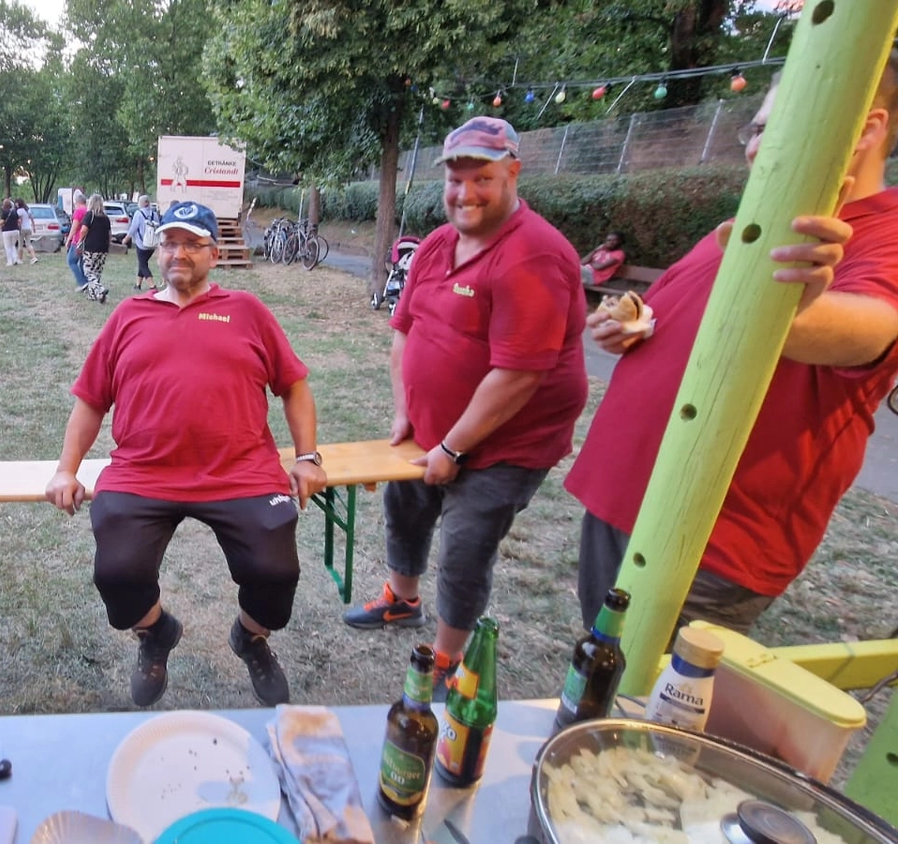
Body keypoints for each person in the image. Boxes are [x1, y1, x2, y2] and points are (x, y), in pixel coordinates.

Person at [567, 58, 898, 635]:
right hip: (622, 496)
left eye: (774, 127)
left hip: (710, 538)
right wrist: (621, 329)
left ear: (865, 129)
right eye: (756, 129)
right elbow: (660, 318)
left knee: (651, 706)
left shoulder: (879, 237)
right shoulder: (745, 224)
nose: (753, 148)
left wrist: (794, 312)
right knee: (598, 668)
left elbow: (869, 331)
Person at [44, 200, 327, 707]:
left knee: (276, 574)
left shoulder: (248, 312)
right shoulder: (130, 315)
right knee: (117, 576)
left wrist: (307, 457)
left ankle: (251, 637)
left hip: (241, 472)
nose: (178, 253)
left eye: (192, 243)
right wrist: (66, 469)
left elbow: (295, 386)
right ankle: (156, 633)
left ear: (214, 254)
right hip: (143, 474)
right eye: (170, 242)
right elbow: (90, 400)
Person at [341, 117, 588, 690]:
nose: (465, 192)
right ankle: (402, 599)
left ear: (513, 174)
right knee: (405, 509)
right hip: (430, 429)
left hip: (507, 444)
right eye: (456, 178)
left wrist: (453, 446)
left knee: (464, 544)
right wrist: (406, 411)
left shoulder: (534, 255)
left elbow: (520, 374)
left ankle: (449, 656)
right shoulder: (436, 243)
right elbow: (404, 330)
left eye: (482, 177)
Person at [78, 193, 112, 303]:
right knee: (97, 272)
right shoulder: (105, 218)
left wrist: (80, 241)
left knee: (88, 271)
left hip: (91, 248)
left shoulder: (89, 215)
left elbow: (83, 230)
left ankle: (100, 289)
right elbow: (109, 234)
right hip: (103, 248)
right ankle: (94, 295)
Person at [125, 196, 161, 291]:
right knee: (142, 262)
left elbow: (133, 228)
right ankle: (138, 285)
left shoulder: (138, 213)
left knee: (143, 264)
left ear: (143, 203)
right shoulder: (154, 214)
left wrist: (126, 239)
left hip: (142, 244)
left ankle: (152, 286)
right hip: (152, 244)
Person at [65, 190, 90, 291]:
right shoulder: (88, 211)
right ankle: (87, 282)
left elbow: (74, 227)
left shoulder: (79, 211)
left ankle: (82, 282)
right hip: (87, 240)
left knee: (71, 261)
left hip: (77, 240)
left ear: (77, 202)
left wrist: (68, 240)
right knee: (82, 263)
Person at [0, 198, 21, 266]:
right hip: (15, 231)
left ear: (4, 205)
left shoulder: (4, 212)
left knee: (8, 246)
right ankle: (15, 259)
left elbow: (2, 221)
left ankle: (9, 261)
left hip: (7, 231)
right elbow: (19, 221)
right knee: (13, 245)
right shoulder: (15, 211)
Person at [16, 201, 39, 265]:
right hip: (29, 228)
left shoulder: (19, 211)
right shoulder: (28, 210)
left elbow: (19, 220)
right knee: (28, 244)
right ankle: (34, 257)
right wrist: (34, 227)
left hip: (22, 229)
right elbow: (32, 219)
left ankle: (20, 259)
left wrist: (18, 226)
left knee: (20, 244)